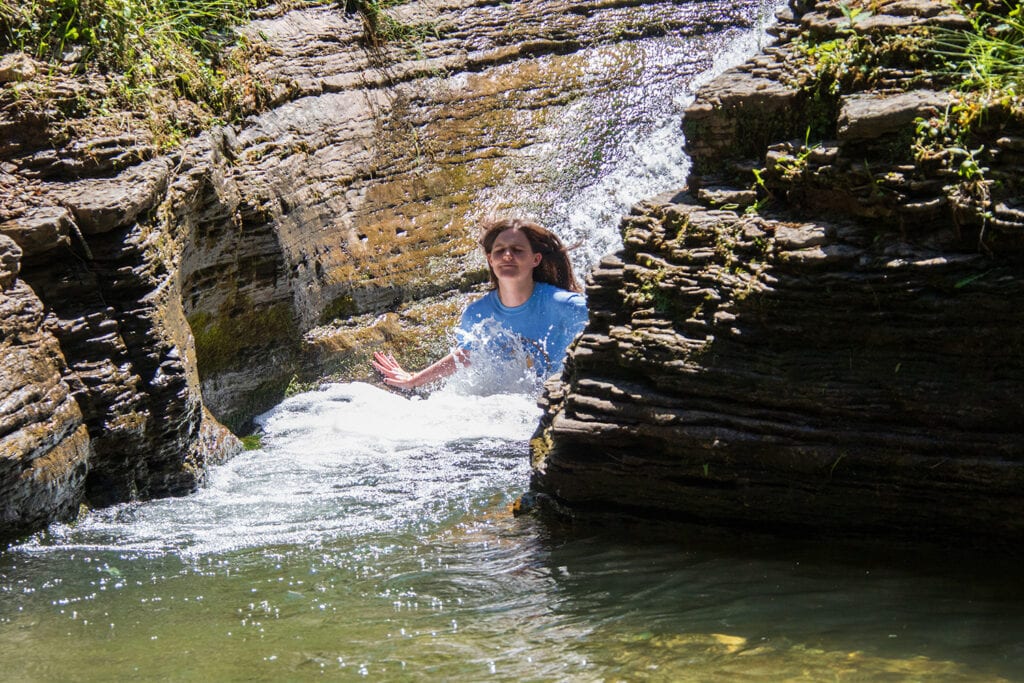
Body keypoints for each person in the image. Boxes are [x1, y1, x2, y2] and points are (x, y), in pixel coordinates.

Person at [372, 217, 588, 391]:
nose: (507, 256)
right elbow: (468, 354)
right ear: (490, 259)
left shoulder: (566, 305)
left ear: (536, 259)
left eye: (517, 250)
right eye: (499, 250)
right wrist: (413, 380)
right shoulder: (477, 314)